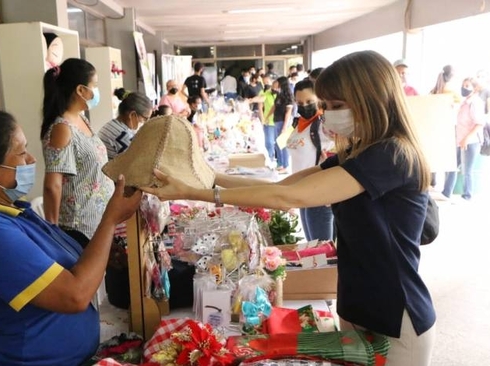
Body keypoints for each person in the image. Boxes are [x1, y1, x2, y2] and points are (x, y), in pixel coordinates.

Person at [143, 51, 436, 366]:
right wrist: (209, 177)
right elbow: (282, 186)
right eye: (326, 105)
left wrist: (196, 193)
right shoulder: (357, 152)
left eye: (337, 106)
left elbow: (291, 198)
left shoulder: (391, 155)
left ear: (371, 100)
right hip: (359, 307)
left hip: (395, 317)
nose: (327, 115)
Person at [0, 109, 141, 366]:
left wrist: (103, 253)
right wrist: (110, 219)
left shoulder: (13, 210)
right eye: (21, 152)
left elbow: (59, 268)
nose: (30, 159)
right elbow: (74, 295)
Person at [41, 58, 114, 247]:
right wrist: (53, 232)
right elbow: (52, 185)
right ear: (81, 90)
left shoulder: (81, 119)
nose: (97, 91)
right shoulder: (62, 128)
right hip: (79, 227)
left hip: (97, 223)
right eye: (94, 85)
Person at [287, 79, 334, 241]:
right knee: (313, 246)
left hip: (318, 192)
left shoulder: (323, 126)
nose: (304, 106)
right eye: (300, 102)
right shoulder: (299, 124)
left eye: (309, 101)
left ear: (319, 100)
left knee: (322, 252)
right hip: (301, 191)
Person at [441, 77, 485, 201]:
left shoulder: (475, 103)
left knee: (467, 171)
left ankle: (467, 196)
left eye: (467, 86)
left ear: (475, 88)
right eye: (463, 85)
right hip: (459, 139)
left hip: (470, 142)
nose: (463, 88)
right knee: (452, 166)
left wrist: (466, 139)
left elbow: (479, 123)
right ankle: (446, 193)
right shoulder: (465, 102)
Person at [99, 88, 153, 161]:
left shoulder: (113, 125)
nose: (146, 122)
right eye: (145, 118)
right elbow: (136, 164)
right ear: (132, 115)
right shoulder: (122, 135)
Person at [265, 76, 294, 173]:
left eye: (277, 82)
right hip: (276, 121)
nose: (275, 83)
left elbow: (288, 112)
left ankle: (285, 166)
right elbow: (274, 106)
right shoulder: (279, 94)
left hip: (283, 122)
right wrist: (267, 116)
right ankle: (280, 163)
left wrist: (285, 126)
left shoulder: (288, 95)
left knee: (283, 144)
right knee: (277, 144)